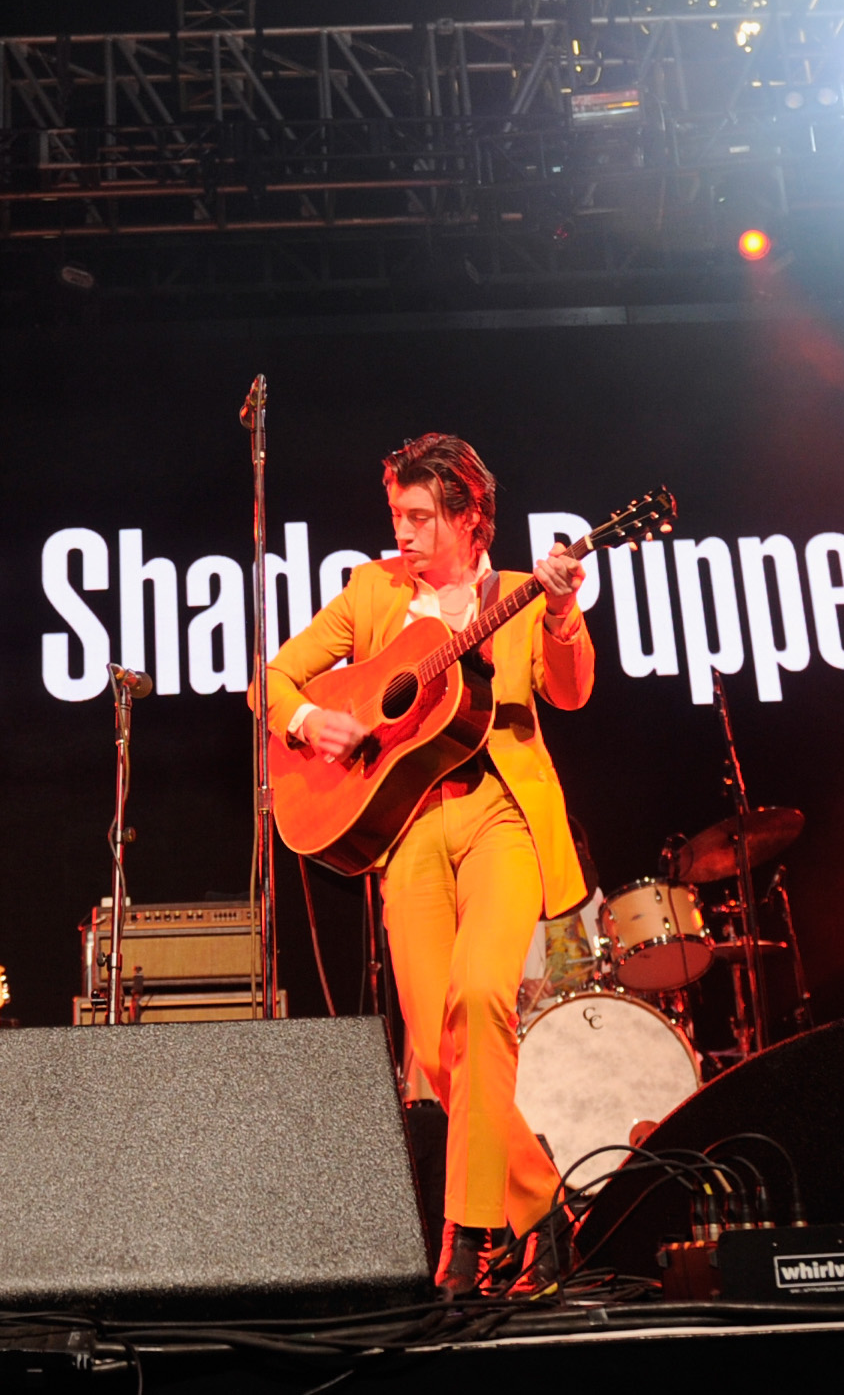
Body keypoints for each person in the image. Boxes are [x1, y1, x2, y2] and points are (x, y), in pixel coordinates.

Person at [265, 434, 593, 1296]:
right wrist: (309, 722)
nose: (402, 533)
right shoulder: (372, 590)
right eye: (397, 516)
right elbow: (274, 681)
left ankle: (463, 1239)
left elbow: (569, 691)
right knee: (439, 1052)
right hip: (407, 826)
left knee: (480, 998)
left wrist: (561, 613)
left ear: (469, 517)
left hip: (500, 817)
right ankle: (541, 1208)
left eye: (418, 517)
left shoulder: (522, 591)